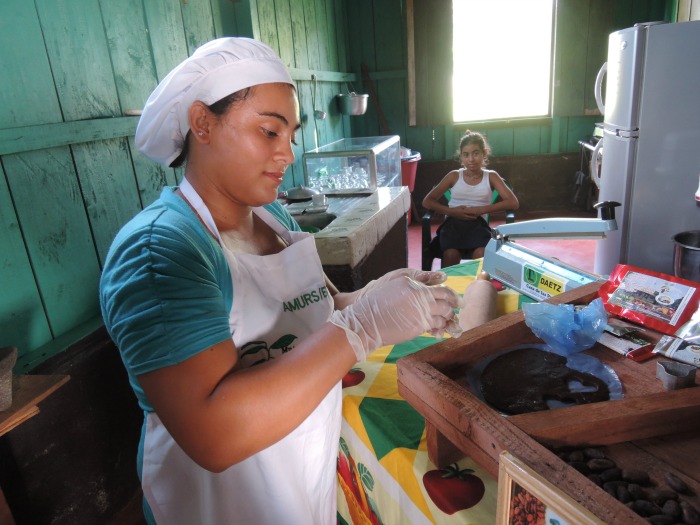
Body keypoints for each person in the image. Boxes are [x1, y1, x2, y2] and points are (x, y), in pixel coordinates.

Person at [99, 37, 463, 525]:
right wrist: (364, 325)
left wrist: (371, 296)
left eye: (290, 134)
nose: (287, 154)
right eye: (269, 132)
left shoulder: (269, 216)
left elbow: (319, 311)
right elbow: (215, 434)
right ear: (202, 123)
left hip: (299, 486)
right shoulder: (161, 253)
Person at [422, 130, 519, 267]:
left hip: (477, 226)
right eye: (466, 155)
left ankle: (478, 287)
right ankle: (447, 287)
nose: (471, 159)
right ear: (461, 156)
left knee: (481, 253)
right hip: (453, 225)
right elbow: (427, 201)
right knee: (450, 254)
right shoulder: (454, 176)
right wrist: (451, 212)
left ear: (484, 153)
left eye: (476, 153)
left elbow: (513, 202)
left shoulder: (491, 176)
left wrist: (482, 209)